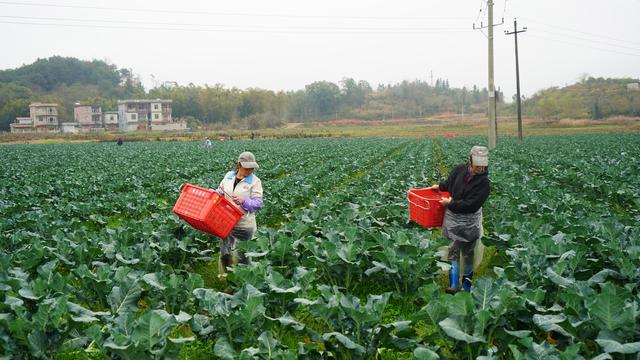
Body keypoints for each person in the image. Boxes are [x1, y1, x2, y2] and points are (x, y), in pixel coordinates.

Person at [430, 145, 490, 293]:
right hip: (453, 220)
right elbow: (450, 183)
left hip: (470, 223)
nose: (480, 169)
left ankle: (466, 286)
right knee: (453, 251)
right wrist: (439, 187)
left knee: (468, 254)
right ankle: (453, 285)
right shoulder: (459, 170)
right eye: (477, 165)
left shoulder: (484, 184)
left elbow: (471, 205)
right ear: (470, 160)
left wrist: (450, 203)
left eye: (483, 166)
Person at [215, 151, 263, 276]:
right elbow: (221, 191)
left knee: (243, 256)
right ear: (240, 164)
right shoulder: (229, 176)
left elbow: (258, 204)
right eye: (248, 167)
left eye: (252, 167)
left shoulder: (255, 181)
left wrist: (244, 201)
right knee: (225, 252)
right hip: (226, 221)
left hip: (244, 224)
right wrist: (214, 194)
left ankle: (243, 282)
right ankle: (225, 278)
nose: (250, 170)